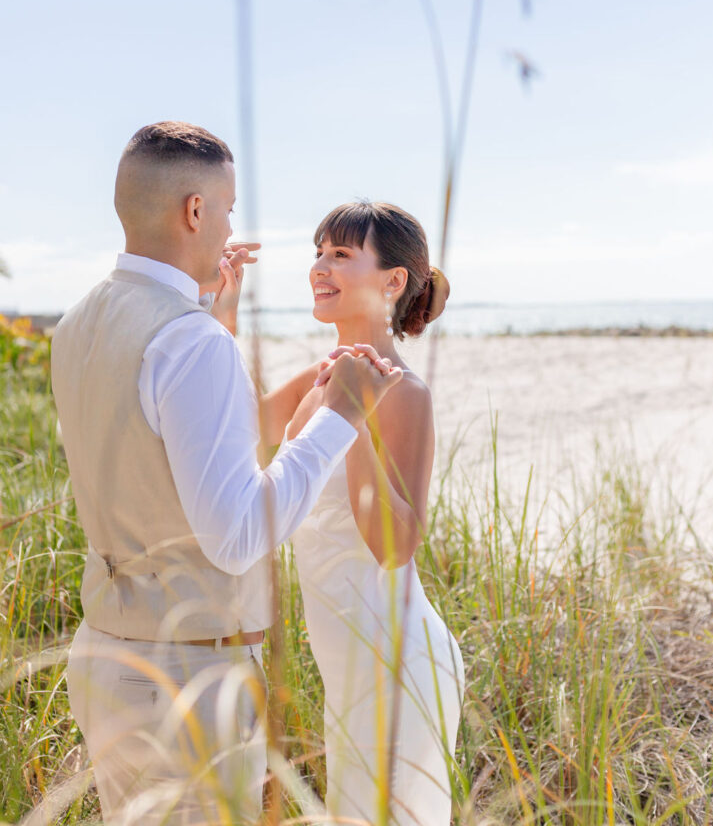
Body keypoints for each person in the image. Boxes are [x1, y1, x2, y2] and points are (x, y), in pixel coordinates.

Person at [51, 123, 402, 826]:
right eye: (230, 208)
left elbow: (156, 460)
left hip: (103, 657)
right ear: (194, 212)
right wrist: (340, 417)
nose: (231, 226)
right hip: (185, 677)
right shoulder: (188, 339)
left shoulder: (77, 322)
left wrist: (220, 318)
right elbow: (237, 537)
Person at [260, 201, 465, 826]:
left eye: (341, 254)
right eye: (318, 252)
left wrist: (355, 424)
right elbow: (227, 443)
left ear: (393, 280)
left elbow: (394, 546)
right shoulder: (315, 378)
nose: (320, 267)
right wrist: (219, 306)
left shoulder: (404, 392)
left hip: (398, 665)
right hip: (346, 666)